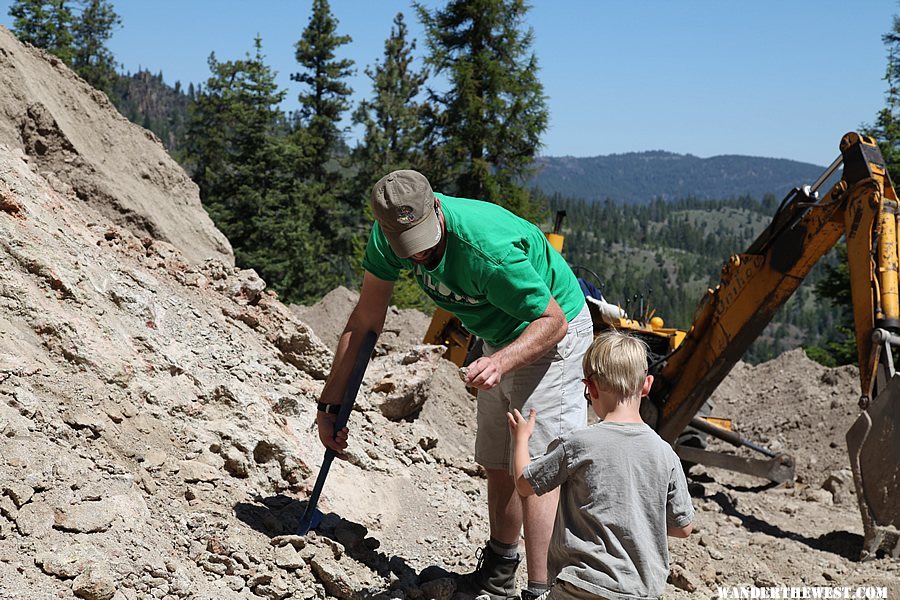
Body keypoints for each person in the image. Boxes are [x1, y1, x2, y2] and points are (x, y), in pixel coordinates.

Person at [315, 169, 593, 599]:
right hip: (500, 336)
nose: (418, 256)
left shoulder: (487, 249)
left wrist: (500, 361)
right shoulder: (388, 235)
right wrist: (331, 402)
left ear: (437, 209)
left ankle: (541, 591)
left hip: (553, 331)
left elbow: (552, 321)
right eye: (407, 247)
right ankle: (499, 574)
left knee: (537, 467)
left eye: (425, 241)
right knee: (500, 458)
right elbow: (366, 319)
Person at [508, 329, 694, 600]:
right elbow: (683, 527)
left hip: (580, 586)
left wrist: (521, 440)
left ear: (590, 387)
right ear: (647, 385)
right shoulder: (666, 454)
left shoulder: (578, 444)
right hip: (641, 592)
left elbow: (525, 485)